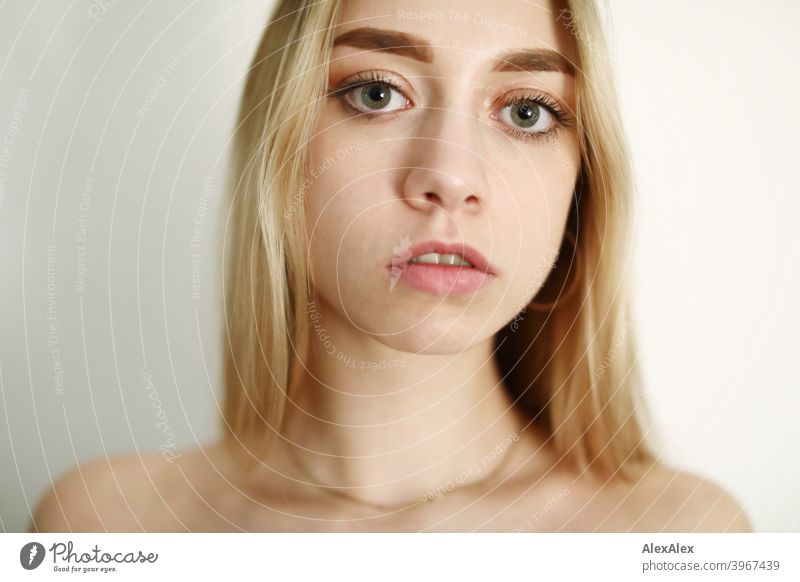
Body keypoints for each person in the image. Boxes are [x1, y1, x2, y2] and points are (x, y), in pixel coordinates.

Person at [31, 0, 753, 532]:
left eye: (528, 112)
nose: (450, 176)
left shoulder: (684, 535)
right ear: (280, 147)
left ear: (582, 186)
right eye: (376, 93)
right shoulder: (101, 525)